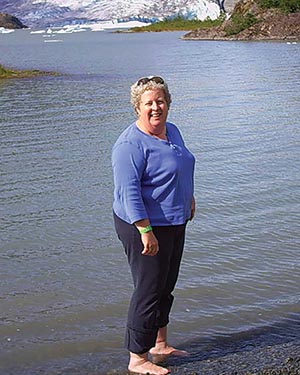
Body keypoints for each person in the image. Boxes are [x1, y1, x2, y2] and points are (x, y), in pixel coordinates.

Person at [112, 76, 196, 375]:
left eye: (160, 101)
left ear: (168, 103)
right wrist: (145, 230)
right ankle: (137, 358)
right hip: (143, 225)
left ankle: (160, 345)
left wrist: (190, 197)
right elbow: (128, 192)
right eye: (149, 103)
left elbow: (181, 165)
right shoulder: (129, 145)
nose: (156, 107)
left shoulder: (172, 131)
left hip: (174, 219)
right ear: (138, 107)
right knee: (148, 289)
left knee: (166, 285)